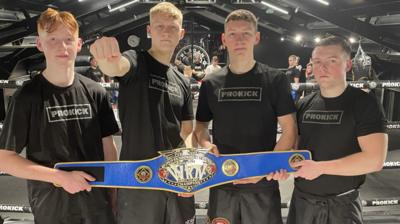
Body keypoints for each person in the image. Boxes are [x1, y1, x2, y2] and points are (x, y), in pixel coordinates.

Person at [0, 8, 119, 224]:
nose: (62, 46)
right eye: (52, 39)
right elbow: (5, 160)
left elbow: (108, 148)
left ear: (79, 44)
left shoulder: (95, 92)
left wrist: (114, 194)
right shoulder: (26, 97)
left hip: (97, 207)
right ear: (39, 44)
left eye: (68, 39)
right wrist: (60, 177)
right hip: (52, 209)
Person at [89, 2, 195, 224]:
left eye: (172, 27)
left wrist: (188, 172)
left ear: (181, 33)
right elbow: (116, 67)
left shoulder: (182, 82)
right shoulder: (136, 61)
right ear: (149, 30)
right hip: (139, 181)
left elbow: (187, 130)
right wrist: (105, 57)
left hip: (175, 180)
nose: (166, 32)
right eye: (159, 26)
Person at [194, 9, 297, 224]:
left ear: (256, 37)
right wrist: (205, 144)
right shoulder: (211, 83)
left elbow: (290, 130)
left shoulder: (275, 79)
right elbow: (201, 125)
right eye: (232, 34)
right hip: (222, 181)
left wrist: (264, 168)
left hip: (263, 185)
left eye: (246, 33)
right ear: (224, 39)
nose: (239, 39)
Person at [287, 36, 388, 224]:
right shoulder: (303, 104)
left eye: (331, 61)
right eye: (317, 61)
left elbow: (375, 160)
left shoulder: (364, 103)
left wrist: (320, 168)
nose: (322, 67)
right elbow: (294, 151)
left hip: (341, 206)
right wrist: (281, 165)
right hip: (302, 203)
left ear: (348, 65)